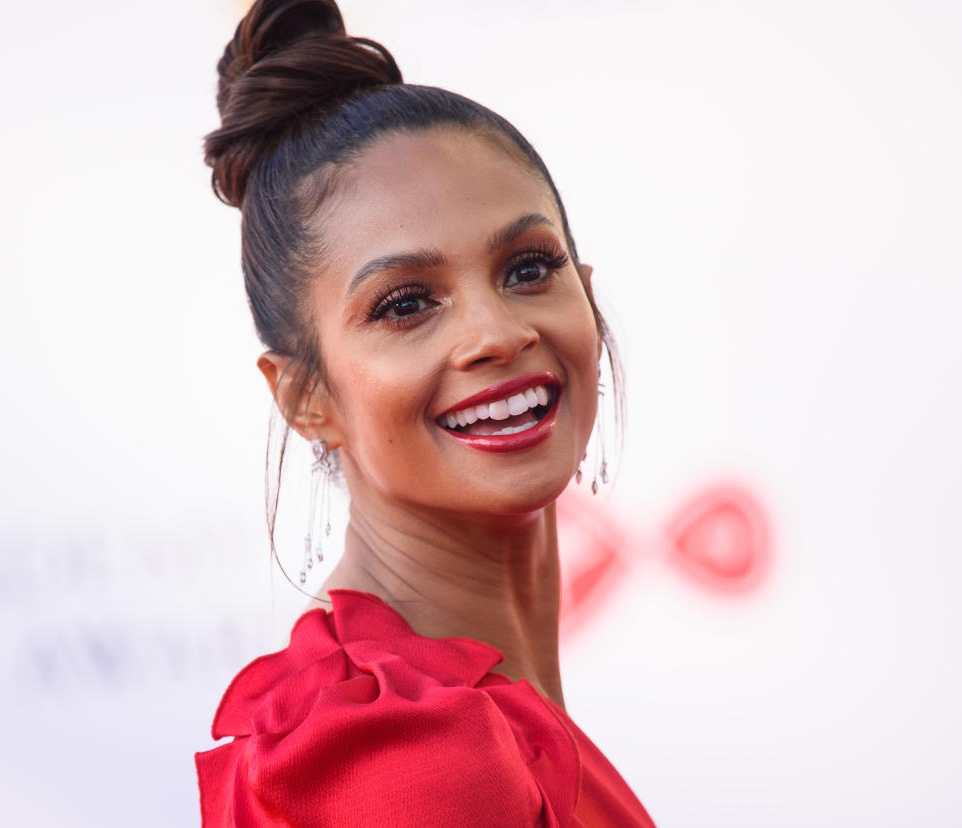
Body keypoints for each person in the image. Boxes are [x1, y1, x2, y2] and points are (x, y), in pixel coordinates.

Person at [195, 1, 655, 824]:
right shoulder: (414, 761)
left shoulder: (471, 721)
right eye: (406, 304)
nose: (497, 333)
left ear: (586, 293)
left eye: (527, 268)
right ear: (304, 396)